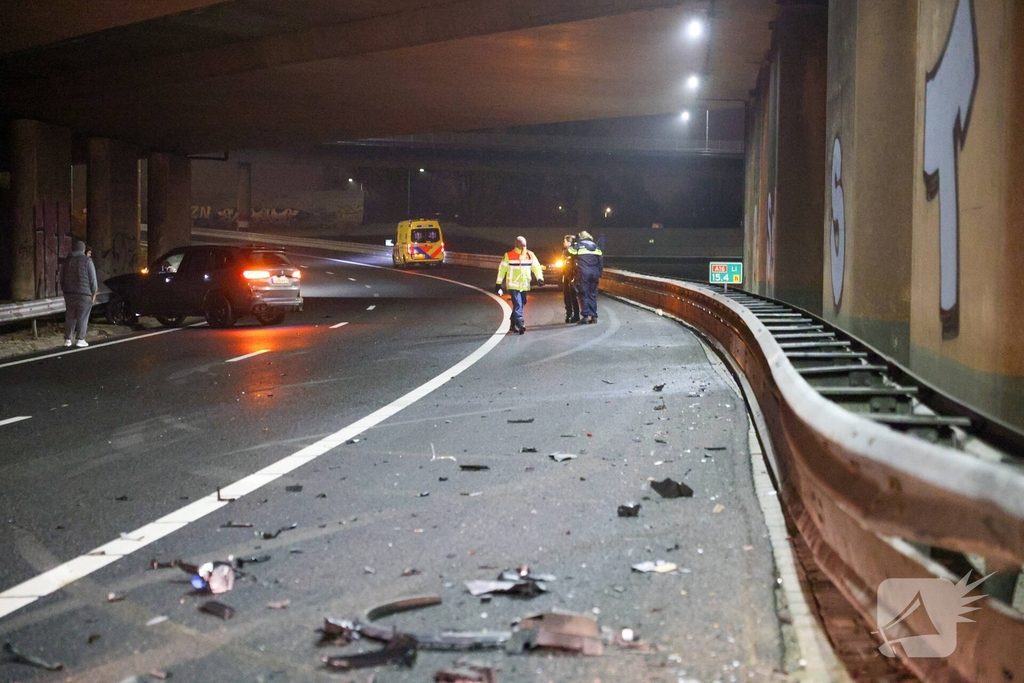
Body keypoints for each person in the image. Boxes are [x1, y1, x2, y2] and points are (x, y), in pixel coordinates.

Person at [495, 235, 544, 334]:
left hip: (524, 285)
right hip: (513, 285)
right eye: (521, 245)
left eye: (525, 245)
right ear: (516, 244)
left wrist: (540, 278)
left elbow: (536, 267)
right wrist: (498, 284)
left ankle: (513, 323)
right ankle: (521, 323)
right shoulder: (508, 255)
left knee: (523, 303)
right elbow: (502, 270)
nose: (523, 247)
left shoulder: (530, 255)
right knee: (518, 304)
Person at [61, 240, 98, 347]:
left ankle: (67, 339)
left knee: (70, 316)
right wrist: (94, 292)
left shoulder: (67, 261)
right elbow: (92, 279)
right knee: (83, 316)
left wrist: (64, 290)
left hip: (69, 293)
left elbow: (61, 277)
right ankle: (80, 339)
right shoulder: (87, 261)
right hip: (84, 294)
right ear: (83, 249)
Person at [568, 230, 603, 324]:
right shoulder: (596, 246)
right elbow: (600, 261)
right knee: (592, 294)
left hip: (583, 273)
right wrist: (600, 273)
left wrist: (573, 242)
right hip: (595, 273)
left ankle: (585, 317)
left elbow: (569, 251)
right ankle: (594, 316)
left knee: (583, 294)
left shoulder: (579, 245)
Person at [561, 234, 581, 323]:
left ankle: (576, 315)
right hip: (566, 275)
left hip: (572, 276)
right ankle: (569, 314)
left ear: (569, 242)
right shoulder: (564, 251)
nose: (563, 243)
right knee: (566, 296)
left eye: (564, 241)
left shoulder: (574, 251)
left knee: (573, 296)